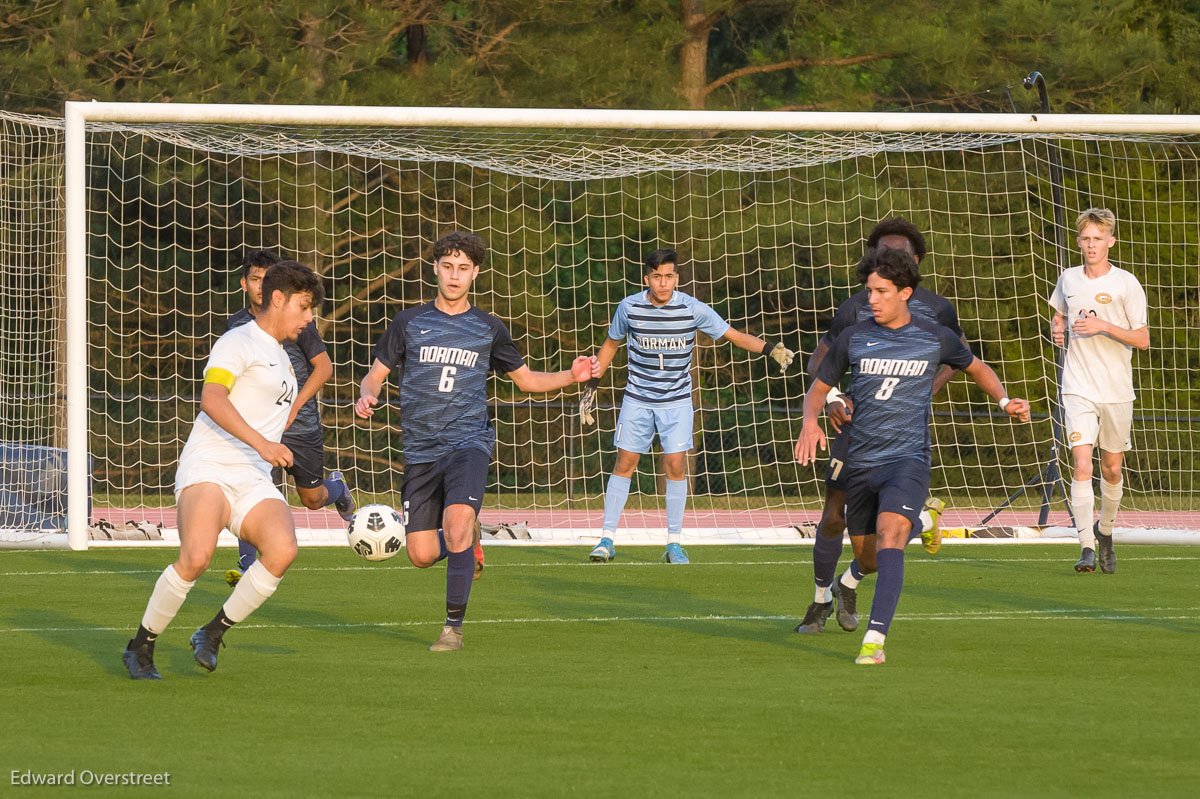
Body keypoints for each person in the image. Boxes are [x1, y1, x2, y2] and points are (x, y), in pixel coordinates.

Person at [355, 231, 592, 652]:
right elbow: (376, 371)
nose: (454, 275)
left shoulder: (488, 329)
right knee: (422, 554)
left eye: (463, 268)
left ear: (475, 273)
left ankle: (452, 629)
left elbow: (527, 381)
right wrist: (368, 391)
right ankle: (471, 540)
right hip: (420, 450)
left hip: (469, 442)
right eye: (447, 266)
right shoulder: (408, 322)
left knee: (458, 524)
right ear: (435, 268)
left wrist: (570, 376)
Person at [795, 247, 1029, 665]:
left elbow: (975, 367)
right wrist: (810, 421)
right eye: (869, 291)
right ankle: (923, 521)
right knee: (869, 557)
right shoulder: (854, 337)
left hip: (907, 460)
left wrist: (1004, 400)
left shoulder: (932, 336)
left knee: (890, 537)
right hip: (860, 462)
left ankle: (875, 641)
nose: (872, 299)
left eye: (881, 291)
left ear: (905, 293)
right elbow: (818, 387)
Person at [121, 261, 326, 679]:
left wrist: (273, 440)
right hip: (211, 464)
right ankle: (141, 646)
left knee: (283, 550)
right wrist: (265, 443)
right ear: (278, 299)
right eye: (304, 308)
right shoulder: (238, 340)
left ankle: (212, 633)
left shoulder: (284, 356)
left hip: (251, 476)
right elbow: (212, 399)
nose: (309, 318)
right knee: (196, 558)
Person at [796, 218, 962, 635]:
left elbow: (960, 360)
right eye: (878, 254)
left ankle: (848, 582)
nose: (886, 260)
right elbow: (820, 361)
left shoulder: (938, 309)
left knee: (882, 539)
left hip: (901, 434)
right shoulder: (857, 307)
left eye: (899, 254)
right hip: (854, 426)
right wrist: (833, 399)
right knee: (834, 515)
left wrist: (922, 391)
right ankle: (819, 602)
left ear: (915, 262)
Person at [579, 248, 794, 564]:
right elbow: (610, 345)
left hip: (677, 402)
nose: (662, 283)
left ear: (676, 278)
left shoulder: (692, 309)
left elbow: (731, 335)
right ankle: (606, 540)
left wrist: (768, 349)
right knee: (624, 463)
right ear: (647, 278)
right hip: (638, 399)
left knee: (676, 466)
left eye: (668, 276)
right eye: (656, 277)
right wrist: (590, 390)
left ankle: (674, 544)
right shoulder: (629, 308)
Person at [225, 249, 355, 588]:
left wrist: (295, 405)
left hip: (300, 424)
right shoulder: (235, 326)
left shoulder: (300, 323)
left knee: (311, 499)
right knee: (251, 487)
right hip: (259, 426)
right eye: (255, 279)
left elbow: (324, 367)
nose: (260, 286)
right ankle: (247, 565)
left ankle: (337, 488)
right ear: (244, 283)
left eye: (267, 279)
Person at [1050, 208, 1149, 574]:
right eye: (1085, 239)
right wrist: (1057, 328)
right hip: (1078, 386)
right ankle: (1086, 547)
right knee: (1080, 464)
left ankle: (1105, 531)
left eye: (1097, 239)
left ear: (1110, 241)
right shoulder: (1068, 278)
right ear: (1079, 242)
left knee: (1110, 470)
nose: (1091, 245)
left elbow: (1142, 338)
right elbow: (1058, 314)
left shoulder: (1126, 283)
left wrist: (1103, 326)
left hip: (1116, 390)